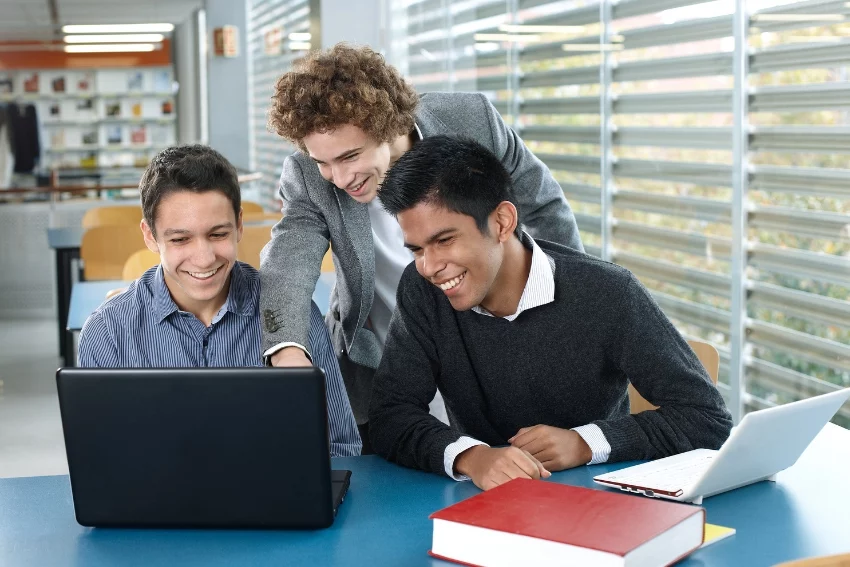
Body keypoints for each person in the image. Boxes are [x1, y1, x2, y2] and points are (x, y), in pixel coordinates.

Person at [260, 43, 584, 451]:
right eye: (324, 162)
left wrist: (570, 315)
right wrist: (286, 348)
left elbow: (545, 209)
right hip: (382, 360)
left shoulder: (472, 120)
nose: (339, 178)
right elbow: (288, 260)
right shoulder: (308, 175)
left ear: (389, 125)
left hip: (492, 346)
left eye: (350, 157)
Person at [369, 136, 732, 490]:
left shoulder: (608, 293)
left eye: (444, 240)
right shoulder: (422, 291)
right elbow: (391, 415)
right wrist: (472, 457)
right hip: (484, 503)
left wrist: (584, 443)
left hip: (596, 501)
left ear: (502, 222)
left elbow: (706, 418)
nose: (429, 266)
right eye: (417, 250)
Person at [79, 144, 361, 458]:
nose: (203, 258)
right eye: (180, 239)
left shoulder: (293, 316)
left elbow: (339, 447)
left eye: (217, 235)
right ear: (149, 235)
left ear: (239, 225)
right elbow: (100, 460)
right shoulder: (108, 334)